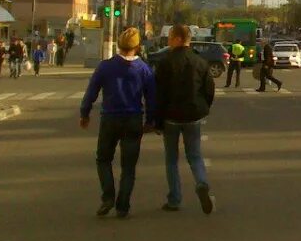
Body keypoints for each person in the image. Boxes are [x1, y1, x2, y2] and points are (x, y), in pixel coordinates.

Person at [79, 27, 156, 219]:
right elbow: (152, 98)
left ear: (119, 45)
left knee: (103, 159)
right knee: (128, 167)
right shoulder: (144, 69)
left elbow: (92, 91)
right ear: (138, 47)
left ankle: (108, 197)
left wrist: (85, 113)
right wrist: (151, 120)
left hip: (110, 118)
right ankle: (123, 205)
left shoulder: (105, 66)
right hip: (133, 119)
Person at [154, 24, 215, 214]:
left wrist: (157, 120)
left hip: (171, 117)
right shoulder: (200, 62)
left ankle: (174, 199)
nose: (169, 41)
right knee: (195, 155)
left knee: (171, 159)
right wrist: (203, 108)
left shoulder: (165, 63)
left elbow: (159, 93)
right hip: (193, 116)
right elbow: (209, 90)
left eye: (171, 37)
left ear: (179, 39)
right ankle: (201, 182)